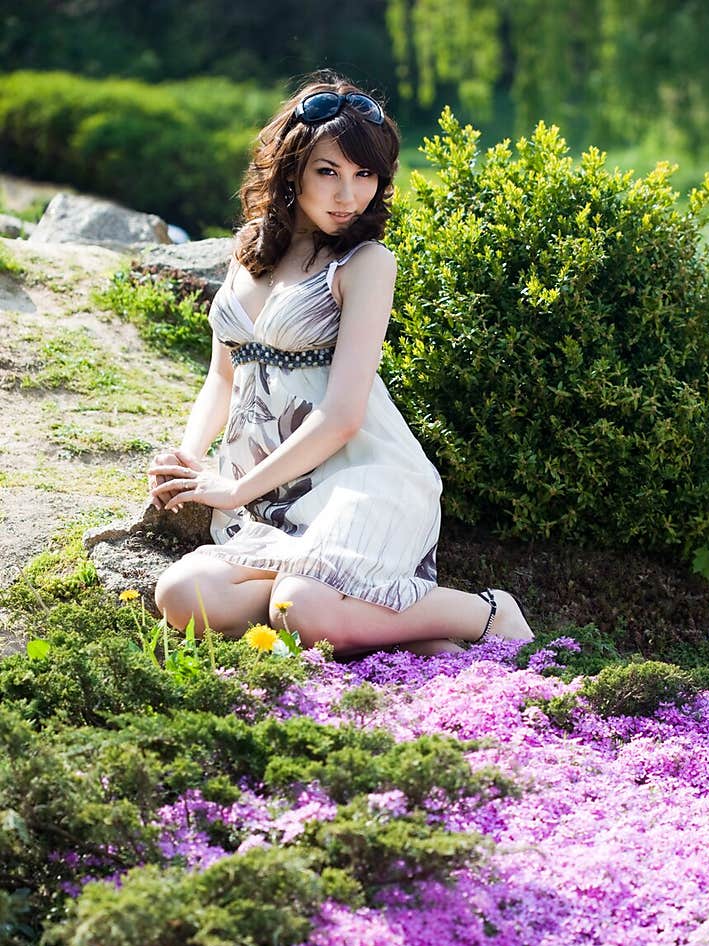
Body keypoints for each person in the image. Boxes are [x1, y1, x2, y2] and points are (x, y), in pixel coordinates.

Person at [149, 73, 533, 656]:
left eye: (364, 175)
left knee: (301, 608)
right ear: (292, 169)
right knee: (183, 594)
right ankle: (386, 621)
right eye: (329, 171)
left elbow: (343, 417)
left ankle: (487, 612)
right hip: (274, 493)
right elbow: (223, 376)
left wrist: (233, 492)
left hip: (361, 479)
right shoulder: (248, 248)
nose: (348, 196)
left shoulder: (366, 262)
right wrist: (190, 459)